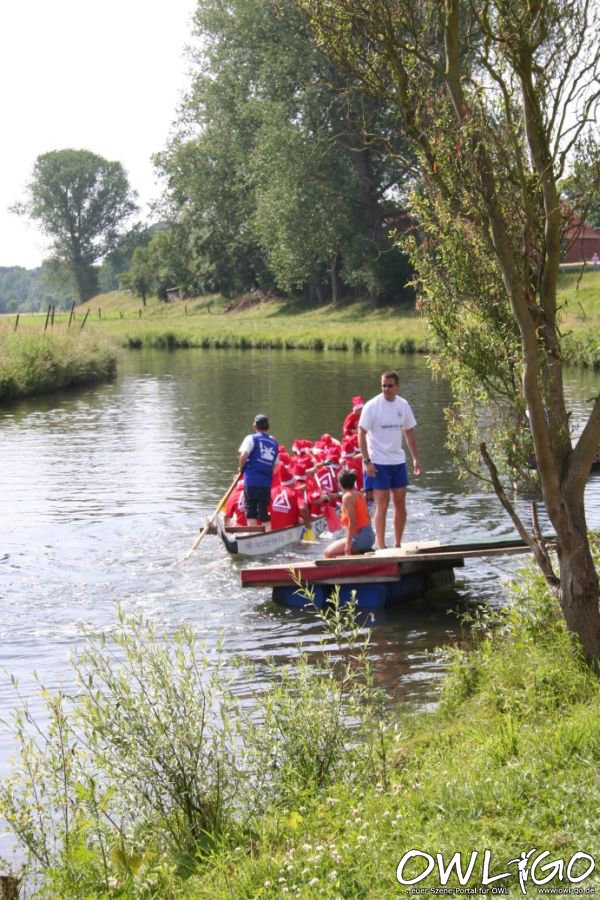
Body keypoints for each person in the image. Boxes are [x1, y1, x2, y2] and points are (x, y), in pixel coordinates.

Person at [358, 370, 422, 549]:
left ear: (397, 387)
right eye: (383, 386)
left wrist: (415, 459)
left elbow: (409, 431)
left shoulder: (403, 405)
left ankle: (398, 543)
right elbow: (361, 432)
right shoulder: (372, 406)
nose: (386, 389)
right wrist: (366, 461)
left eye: (390, 386)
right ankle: (381, 545)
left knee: (400, 503)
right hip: (378, 462)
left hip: (398, 461)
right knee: (382, 503)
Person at [238, 413, 278, 531]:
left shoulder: (251, 438)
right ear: (268, 427)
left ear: (255, 425)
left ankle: (252, 535)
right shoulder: (274, 443)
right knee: (263, 511)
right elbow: (275, 466)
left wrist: (241, 468)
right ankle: (267, 534)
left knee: (251, 510)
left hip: (251, 480)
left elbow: (243, 455)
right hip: (265, 483)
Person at [323, 469, 375, 558]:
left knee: (327, 553)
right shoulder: (359, 494)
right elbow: (368, 517)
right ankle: (359, 556)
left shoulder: (347, 497)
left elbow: (353, 522)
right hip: (370, 536)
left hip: (361, 538)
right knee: (334, 553)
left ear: (340, 484)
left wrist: (348, 544)